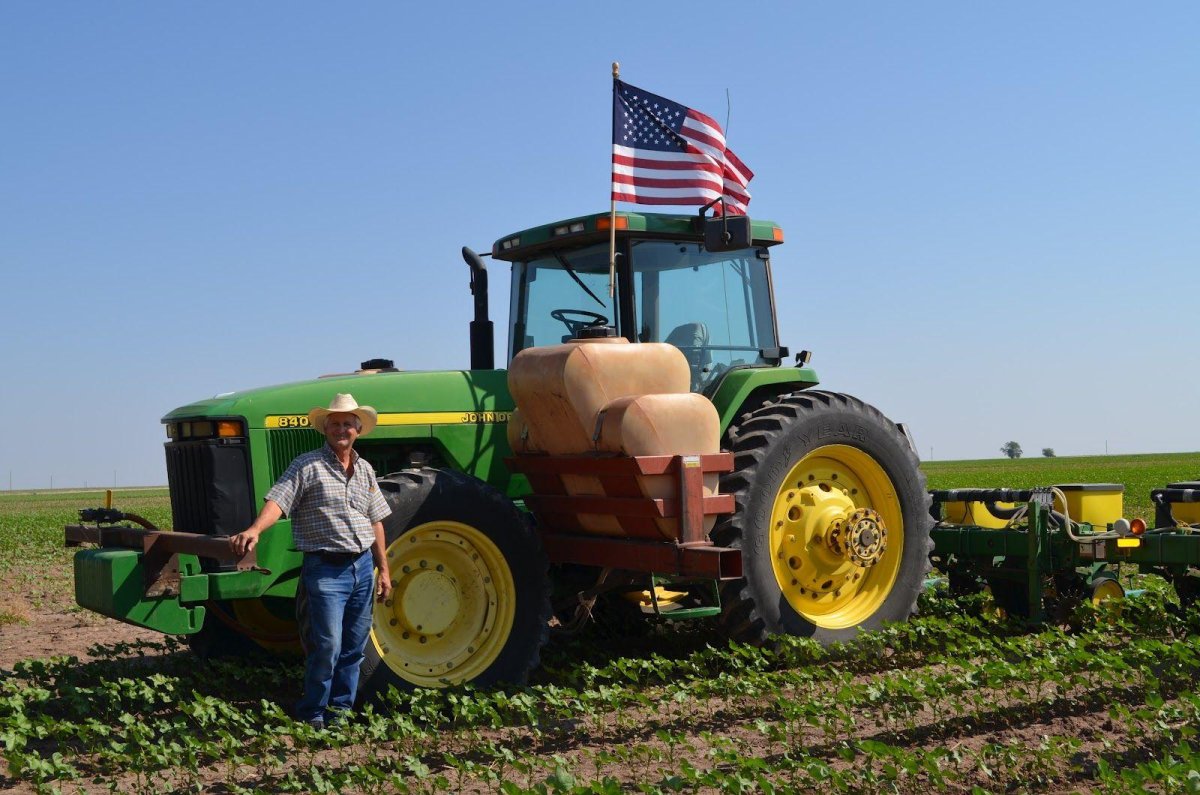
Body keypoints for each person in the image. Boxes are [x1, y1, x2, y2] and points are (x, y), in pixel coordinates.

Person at [230, 393, 393, 728]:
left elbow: (376, 521)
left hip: (362, 566)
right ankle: (313, 714)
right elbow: (279, 499)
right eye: (335, 424)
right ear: (325, 429)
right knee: (327, 644)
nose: (341, 429)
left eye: (348, 423)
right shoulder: (307, 466)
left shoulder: (364, 470)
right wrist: (256, 529)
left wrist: (384, 570)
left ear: (358, 429)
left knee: (353, 646)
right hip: (326, 569)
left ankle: (340, 714)